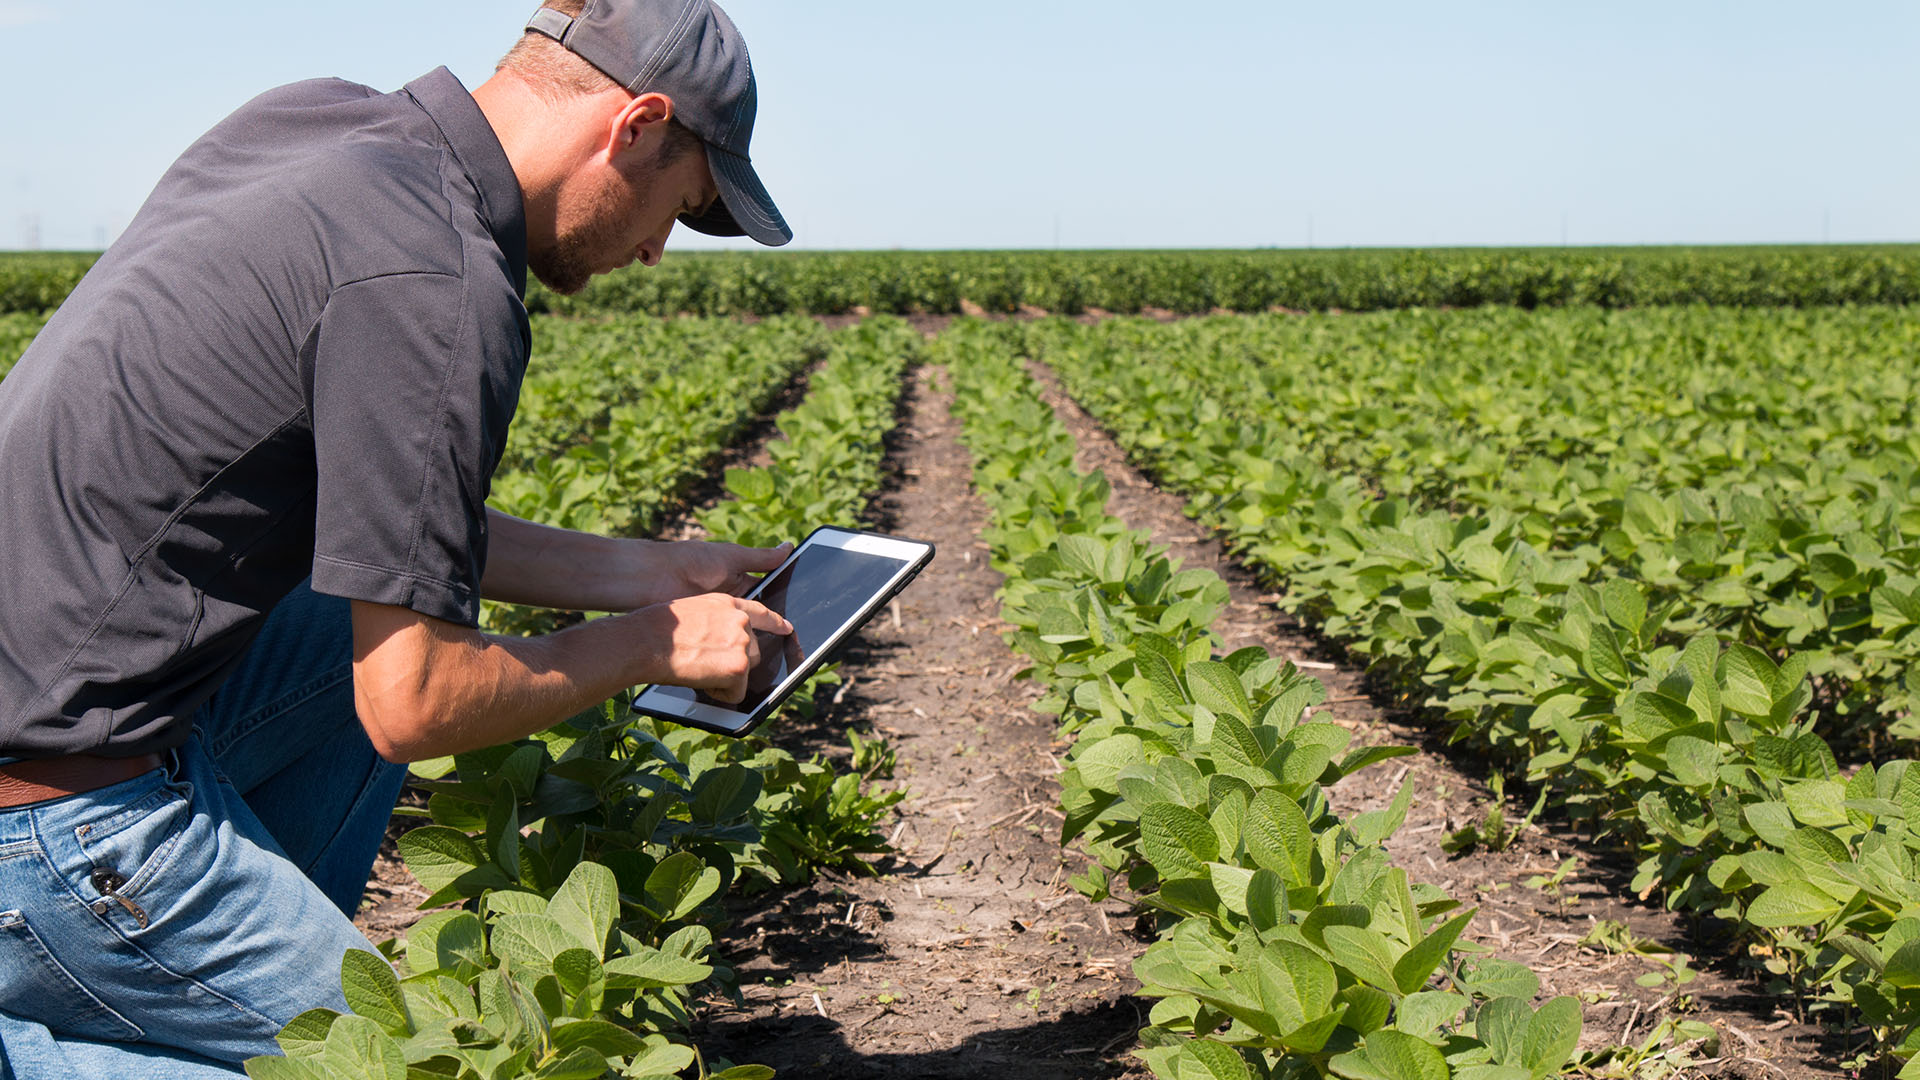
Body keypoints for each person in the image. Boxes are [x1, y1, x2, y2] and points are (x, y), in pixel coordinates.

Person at [0, 1, 793, 1075]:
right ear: (638, 125)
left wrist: (656, 574)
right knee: (429, 1064)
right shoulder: (443, 282)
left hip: (53, 724)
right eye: (678, 207)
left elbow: (394, 533)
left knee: (351, 616)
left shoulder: (312, 126)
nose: (655, 252)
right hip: (57, 825)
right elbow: (414, 704)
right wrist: (651, 645)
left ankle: (209, 995)